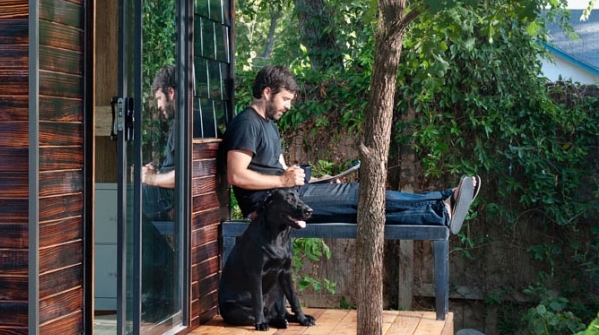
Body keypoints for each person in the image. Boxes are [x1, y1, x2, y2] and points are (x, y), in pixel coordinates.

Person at [219, 65, 480, 232]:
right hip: (271, 205)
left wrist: (312, 178)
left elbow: (280, 168)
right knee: (358, 196)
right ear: (267, 92)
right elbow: (236, 175)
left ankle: (443, 200)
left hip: (288, 194)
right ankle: (440, 207)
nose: (288, 106)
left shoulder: (269, 125)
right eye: (285, 99)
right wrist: (282, 179)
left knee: (357, 194)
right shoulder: (246, 124)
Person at [141, 65, 176, 221]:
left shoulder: (186, 127)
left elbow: (186, 176)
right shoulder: (194, 121)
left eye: (159, 99)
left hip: (171, 203)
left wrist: (152, 179)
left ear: (171, 92)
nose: (159, 106)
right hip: (169, 198)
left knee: (120, 195)